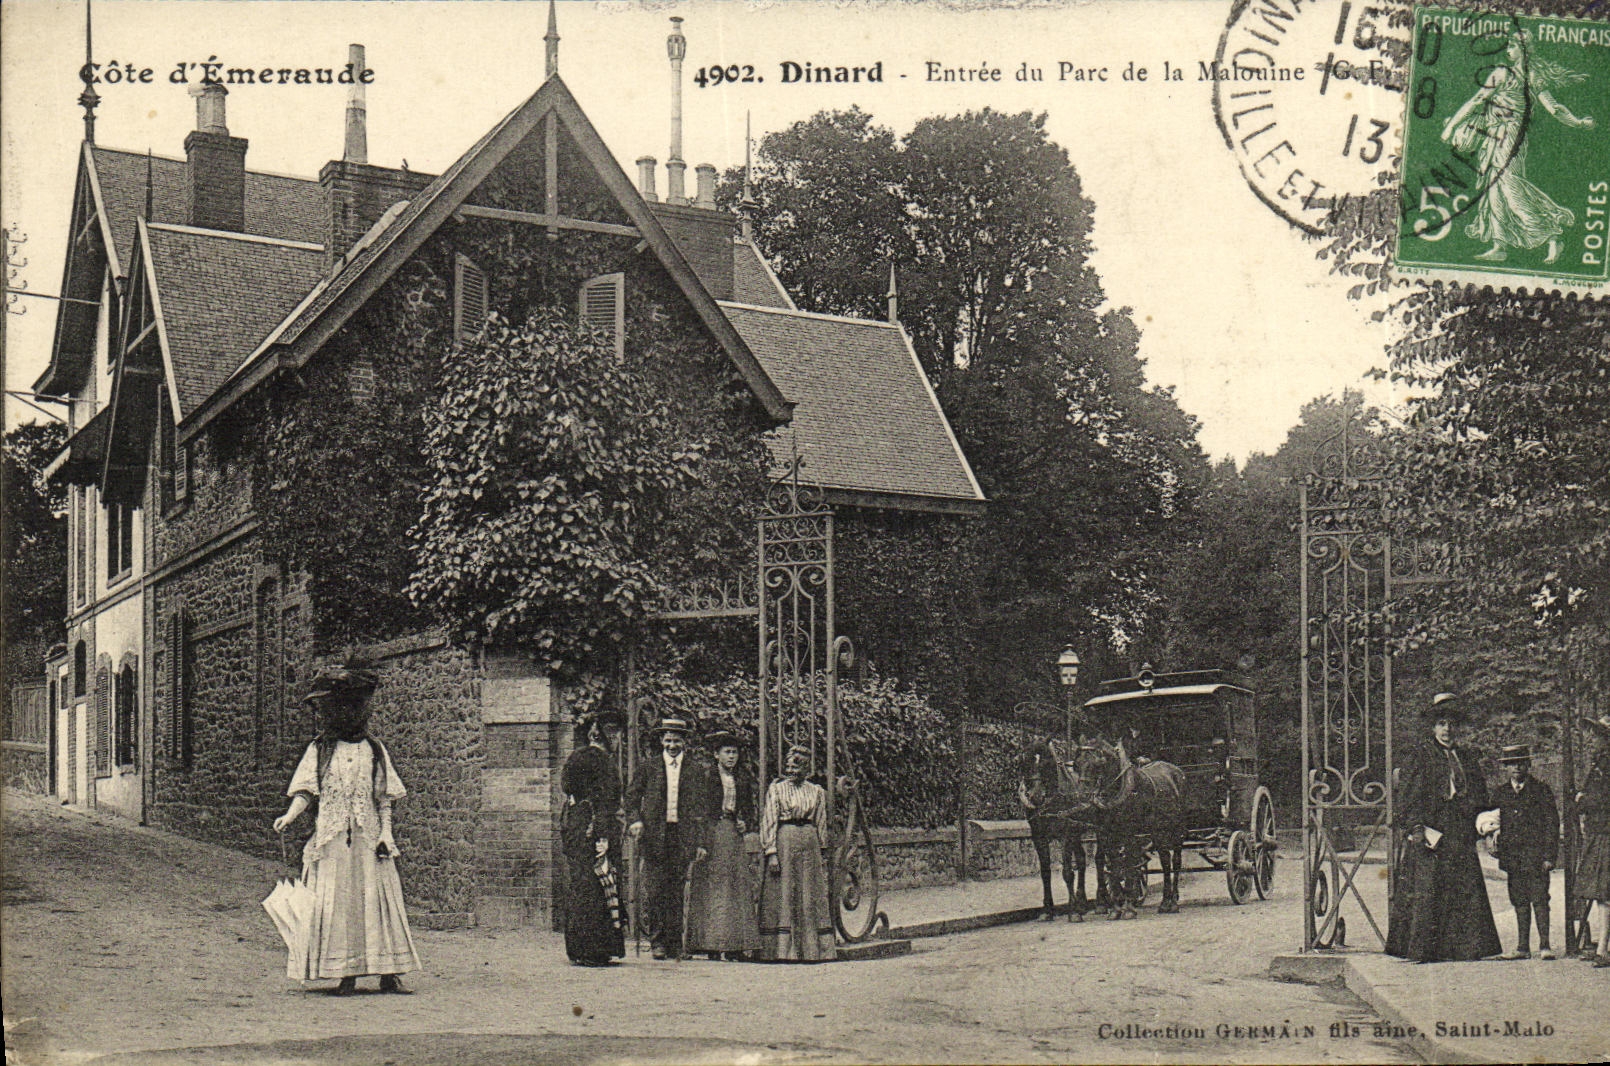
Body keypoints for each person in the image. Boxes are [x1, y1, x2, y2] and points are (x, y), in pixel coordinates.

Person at [272, 666, 421, 994]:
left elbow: (384, 798)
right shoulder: (320, 750)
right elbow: (306, 791)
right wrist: (290, 815)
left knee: (377, 902)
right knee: (338, 903)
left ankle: (388, 973)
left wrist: (386, 834)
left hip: (369, 840)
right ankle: (345, 973)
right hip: (333, 840)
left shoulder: (374, 750)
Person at [1440, 29, 1596, 264]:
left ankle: (1552, 234)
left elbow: (1554, 108)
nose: (1508, 50)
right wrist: (1452, 126)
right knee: (1494, 187)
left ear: (1523, 49)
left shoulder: (1530, 77)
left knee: (1510, 185)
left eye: (1512, 46)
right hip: (1493, 135)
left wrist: (1578, 122)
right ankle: (1499, 245)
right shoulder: (1503, 73)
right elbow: (1477, 100)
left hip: (1511, 136)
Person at [1385, 692, 1501, 963]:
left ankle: (1464, 949)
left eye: (1451, 724)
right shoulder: (1420, 755)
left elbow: (1479, 795)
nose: (1447, 729)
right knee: (1428, 889)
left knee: (1463, 887)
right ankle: (1424, 950)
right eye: (1441, 724)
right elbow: (1409, 795)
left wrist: (1484, 825)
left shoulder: (1467, 757)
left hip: (1459, 829)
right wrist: (1416, 827)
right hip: (1431, 830)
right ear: (1433, 727)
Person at [625, 717, 709, 960]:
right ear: (662, 740)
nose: (672, 745)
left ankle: (675, 944)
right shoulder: (649, 767)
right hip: (654, 836)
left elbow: (701, 808)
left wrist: (701, 842)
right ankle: (657, 941)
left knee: (676, 890)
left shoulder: (695, 770)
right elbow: (631, 798)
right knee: (655, 890)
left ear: (684, 742)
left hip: (681, 836)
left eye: (677, 741)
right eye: (668, 740)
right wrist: (635, 820)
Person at [685, 731, 760, 961]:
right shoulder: (707, 776)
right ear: (716, 755)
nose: (731, 757)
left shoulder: (743, 778)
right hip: (712, 834)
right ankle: (712, 944)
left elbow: (750, 809)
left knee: (735, 887)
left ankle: (735, 945)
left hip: (732, 835)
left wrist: (744, 821)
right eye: (727, 752)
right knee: (712, 887)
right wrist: (700, 841)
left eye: (734, 752)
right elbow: (697, 809)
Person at [560, 710, 626, 967]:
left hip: (576, 826)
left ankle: (579, 948)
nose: (617, 740)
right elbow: (605, 802)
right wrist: (602, 835)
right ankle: (595, 949)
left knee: (581, 884)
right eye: (614, 734)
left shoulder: (575, 757)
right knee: (598, 884)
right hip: (595, 827)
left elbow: (567, 787)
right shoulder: (604, 763)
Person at [758, 744, 835, 961]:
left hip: (809, 842)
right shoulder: (777, 789)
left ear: (807, 769)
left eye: (797, 767)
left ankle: (812, 950)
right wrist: (771, 851)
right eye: (789, 766)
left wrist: (822, 849)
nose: (792, 771)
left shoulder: (816, 791)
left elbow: (820, 821)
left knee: (809, 891)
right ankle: (783, 951)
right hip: (785, 839)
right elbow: (769, 820)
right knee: (785, 890)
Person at [1492, 744, 1559, 960]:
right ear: (1506, 768)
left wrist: (1549, 856)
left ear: (1528, 765)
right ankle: (1522, 947)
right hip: (1513, 857)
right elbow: (1492, 822)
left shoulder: (1541, 790)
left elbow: (1552, 824)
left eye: (1521, 763)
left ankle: (1545, 946)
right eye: (1511, 764)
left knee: (1540, 899)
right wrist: (1492, 842)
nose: (1517, 768)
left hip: (1537, 857)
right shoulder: (1501, 793)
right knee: (1519, 900)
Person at [1571, 713, 1610, 966]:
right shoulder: (1599, 765)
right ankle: (1603, 946)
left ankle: (1603, 949)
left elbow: (1601, 799)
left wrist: (1582, 800)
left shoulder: (1605, 766)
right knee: (1601, 892)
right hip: (1599, 832)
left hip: (1605, 833)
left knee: (1604, 892)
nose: (1591, 740)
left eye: (1596, 736)